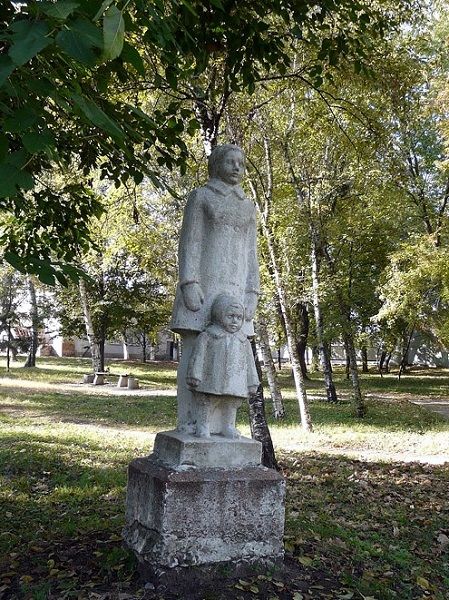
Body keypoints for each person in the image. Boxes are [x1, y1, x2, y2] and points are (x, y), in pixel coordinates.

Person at [170, 144, 260, 434]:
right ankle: (189, 422)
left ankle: (224, 425)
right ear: (216, 164)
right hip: (203, 285)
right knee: (196, 349)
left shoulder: (248, 206)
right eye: (230, 162)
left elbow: (251, 253)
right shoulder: (202, 197)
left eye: (241, 163)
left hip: (235, 288)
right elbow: (190, 241)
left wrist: (252, 292)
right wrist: (189, 282)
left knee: (232, 356)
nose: (236, 167)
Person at [186, 294, 260, 438]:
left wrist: (252, 382)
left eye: (239, 318)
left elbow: (250, 364)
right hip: (212, 379)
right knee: (208, 402)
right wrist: (194, 374)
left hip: (235, 381)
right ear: (219, 314)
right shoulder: (209, 335)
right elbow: (198, 356)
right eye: (230, 316)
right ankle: (203, 425)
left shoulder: (243, 340)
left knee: (232, 403)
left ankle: (228, 426)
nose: (235, 321)